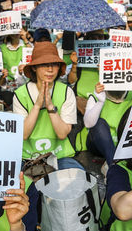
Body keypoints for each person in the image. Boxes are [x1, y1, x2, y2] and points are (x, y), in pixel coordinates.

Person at [13, 41, 83, 170]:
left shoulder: (66, 92)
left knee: (78, 181)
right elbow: (23, 134)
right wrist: (37, 106)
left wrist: (50, 107)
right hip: (28, 157)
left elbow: (62, 134)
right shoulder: (20, 94)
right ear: (34, 67)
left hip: (60, 155)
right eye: (44, 65)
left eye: (54, 65)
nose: (50, 69)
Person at [76, 83, 132, 169]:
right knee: (99, 123)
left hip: (123, 144)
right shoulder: (96, 94)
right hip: (99, 144)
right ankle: (114, 166)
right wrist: (100, 101)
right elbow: (88, 123)